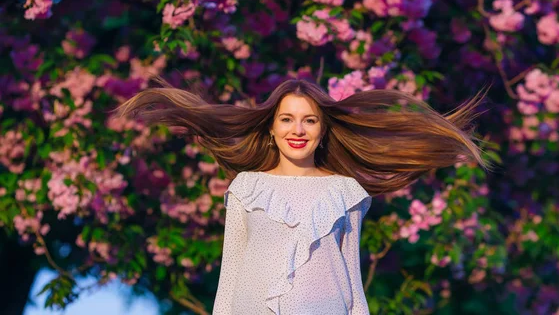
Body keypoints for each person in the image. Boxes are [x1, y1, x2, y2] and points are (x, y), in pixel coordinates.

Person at [114, 76, 493, 314]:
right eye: (287, 119)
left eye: (309, 120)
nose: (298, 129)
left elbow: (352, 279)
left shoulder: (345, 192)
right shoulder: (247, 186)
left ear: (323, 130)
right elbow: (229, 274)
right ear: (271, 130)